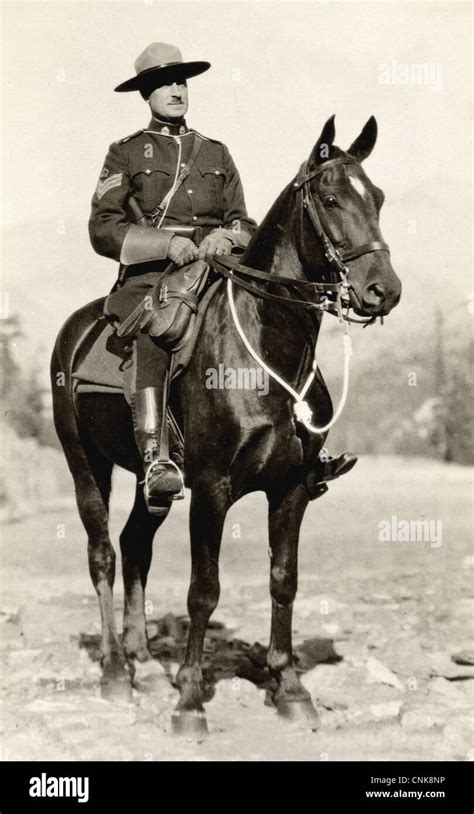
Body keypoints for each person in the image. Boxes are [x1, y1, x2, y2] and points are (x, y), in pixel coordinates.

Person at [89, 42, 356, 512]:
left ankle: (309, 445)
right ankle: (157, 456)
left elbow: (243, 221)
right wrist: (166, 244)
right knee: (158, 324)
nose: (175, 90)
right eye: (162, 84)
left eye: (180, 82)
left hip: (215, 270)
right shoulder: (126, 154)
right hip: (152, 278)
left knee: (280, 316)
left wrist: (225, 239)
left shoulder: (215, 152)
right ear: (145, 94)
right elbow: (104, 227)